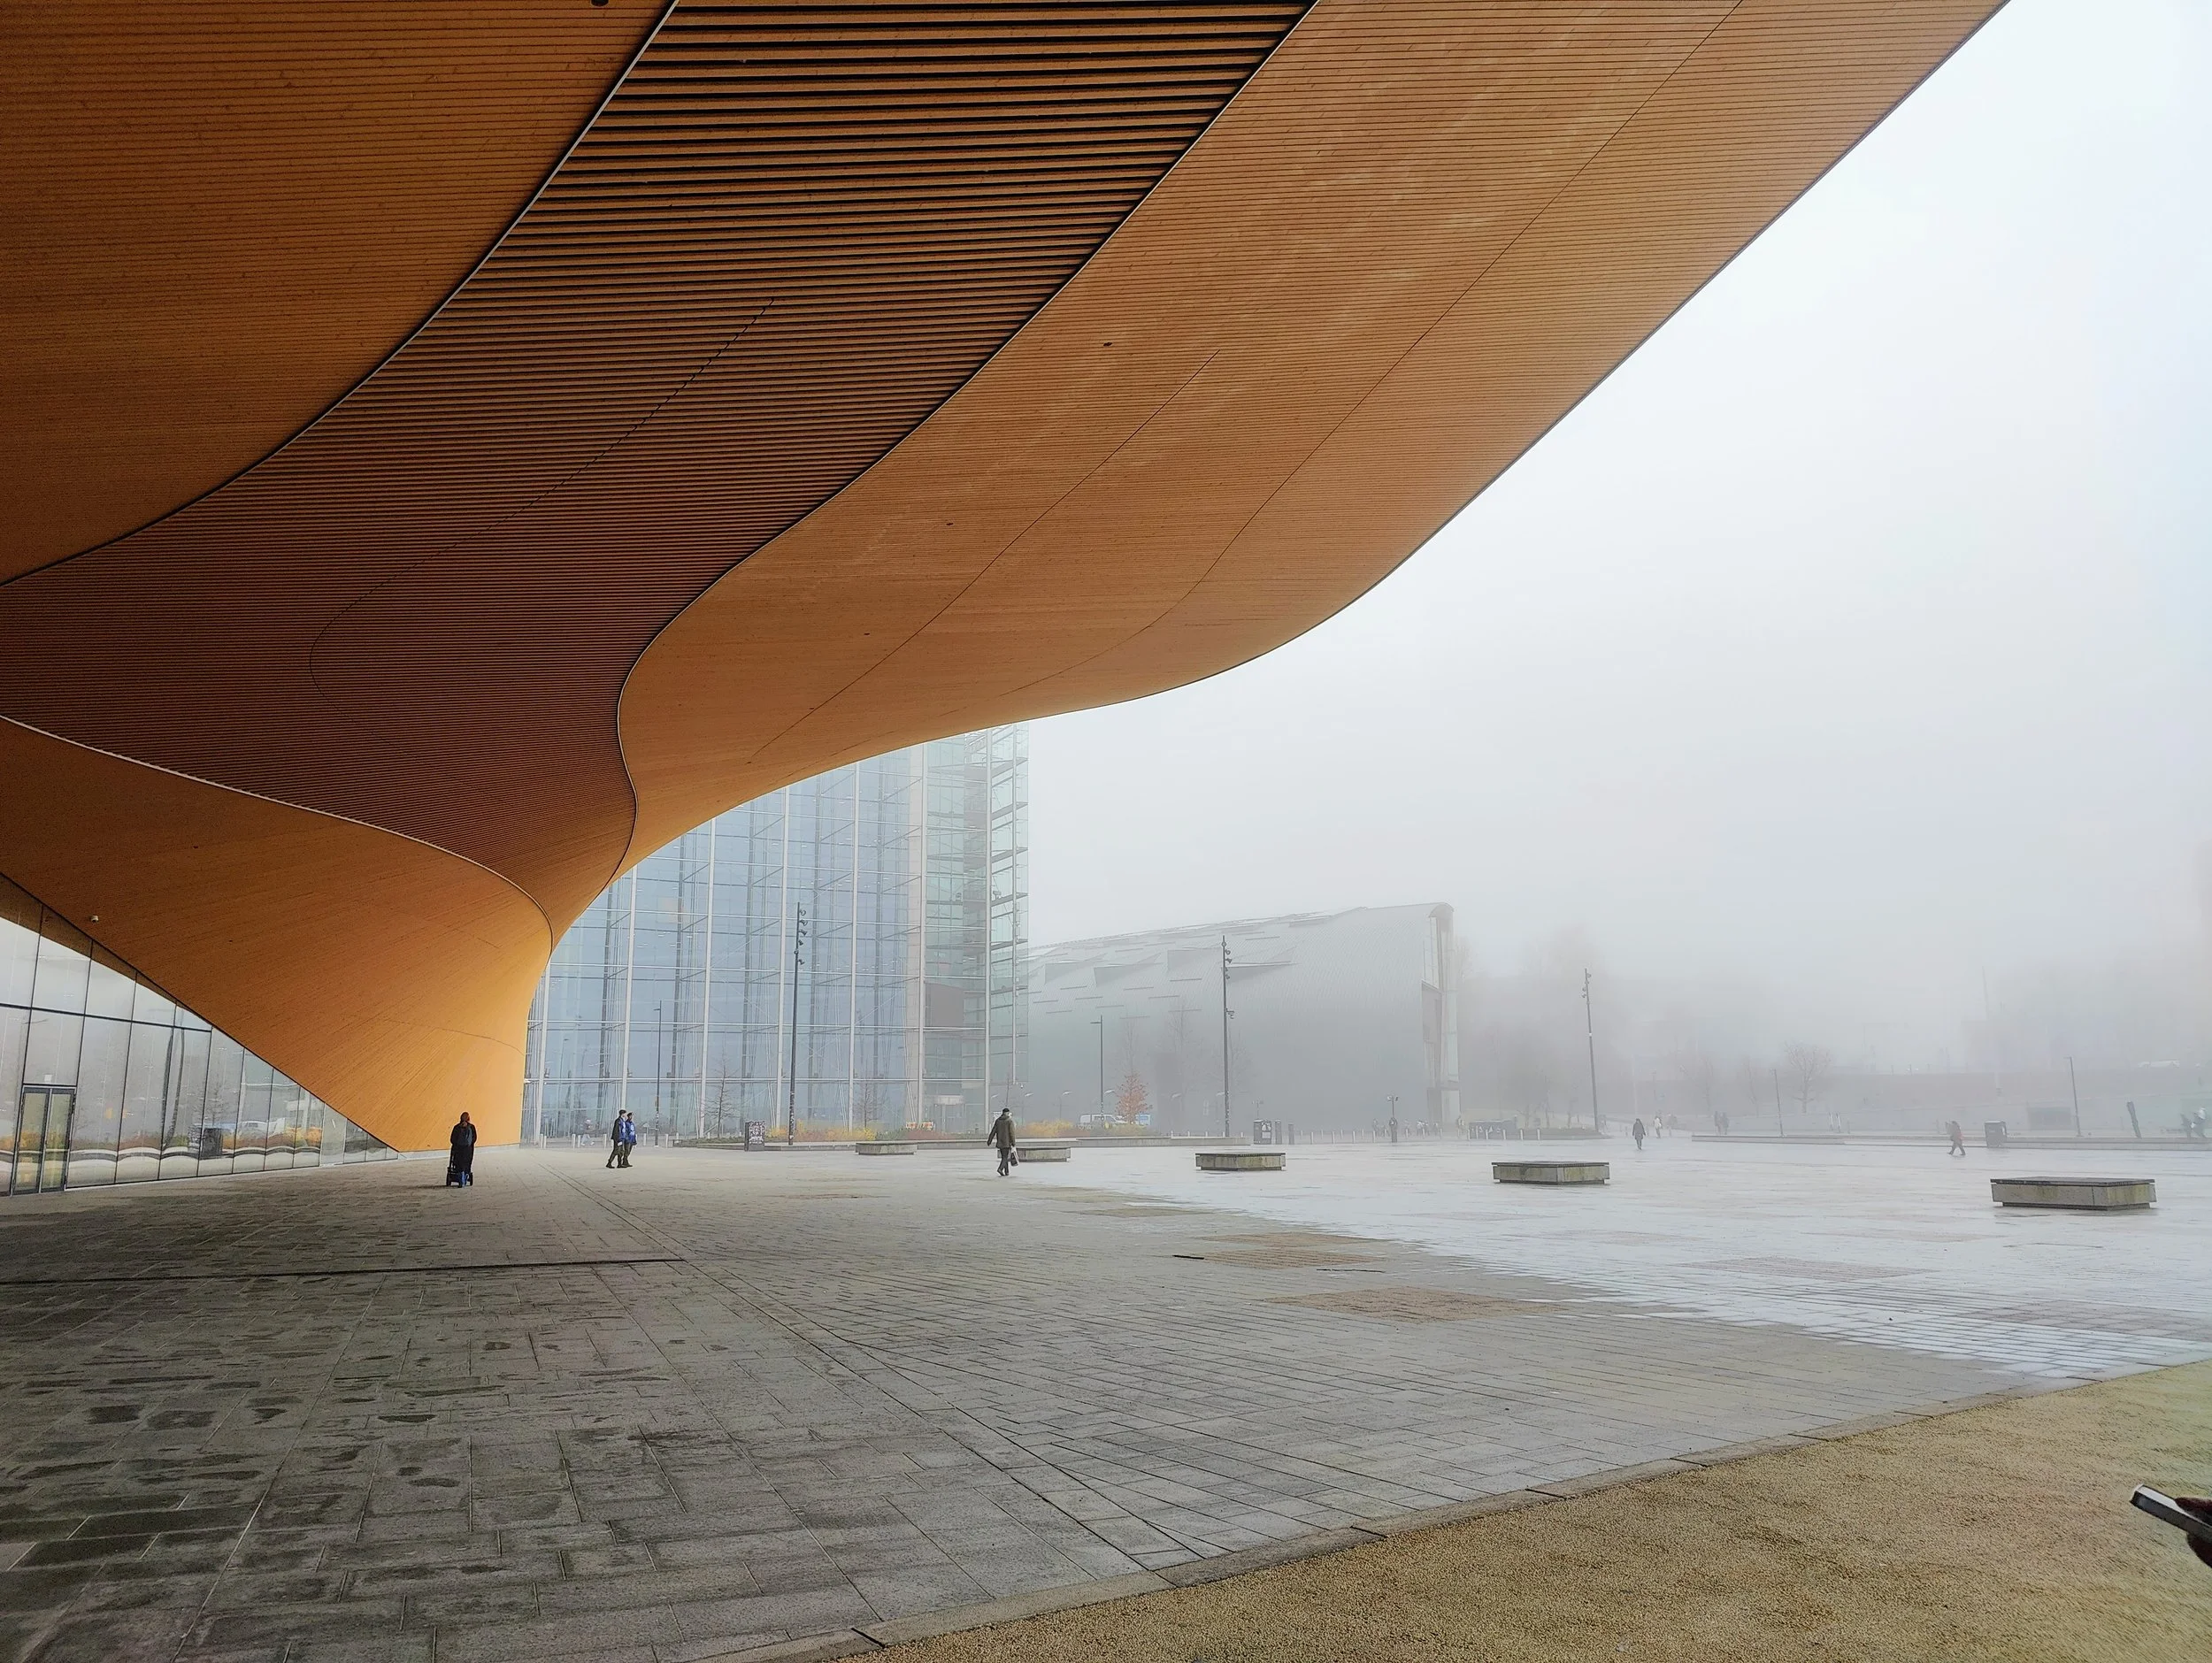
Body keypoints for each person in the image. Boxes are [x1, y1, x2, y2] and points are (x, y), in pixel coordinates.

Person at [987, 1107, 1018, 1176]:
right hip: (1007, 1143)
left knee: (1004, 1156)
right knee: (1005, 1157)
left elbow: (993, 1131)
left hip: (1000, 1143)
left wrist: (989, 1141)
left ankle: (1007, 1172)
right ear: (1007, 1113)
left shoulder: (998, 1121)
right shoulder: (1010, 1121)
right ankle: (1000, 1169)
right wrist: (1013, 1143)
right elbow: (1012, 1133)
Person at [448, 1111, 476, 1187]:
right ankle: (466, 1176)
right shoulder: (472, 1127)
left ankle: (461, 1180)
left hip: (458, 1149)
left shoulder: (457, 1127)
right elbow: (474, 1138)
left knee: (458, 1164)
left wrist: (457, 1144)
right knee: (467, 1163)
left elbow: (452, 1139)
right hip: (468, 1150)